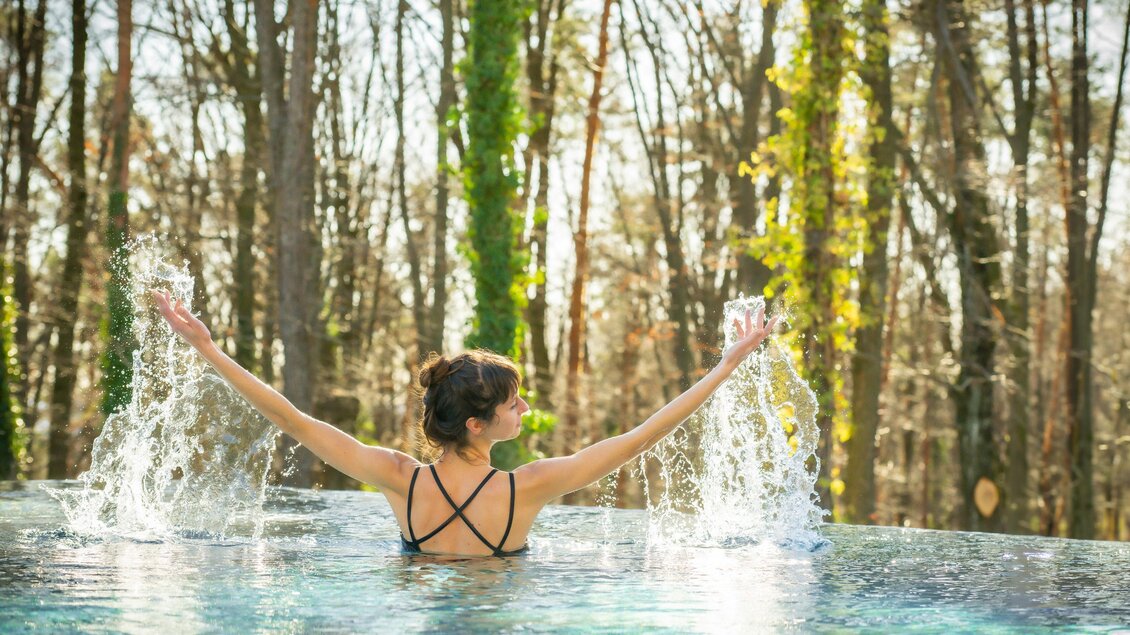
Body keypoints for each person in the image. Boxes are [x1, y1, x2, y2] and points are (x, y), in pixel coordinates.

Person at [152, 290, 777, 556]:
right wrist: (726, 365)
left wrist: (208, 349)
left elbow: (290, 418)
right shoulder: (524, 488)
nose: (525, 411)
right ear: (478, 425)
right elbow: (642, 436)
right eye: (513, 405)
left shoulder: (400, 480)